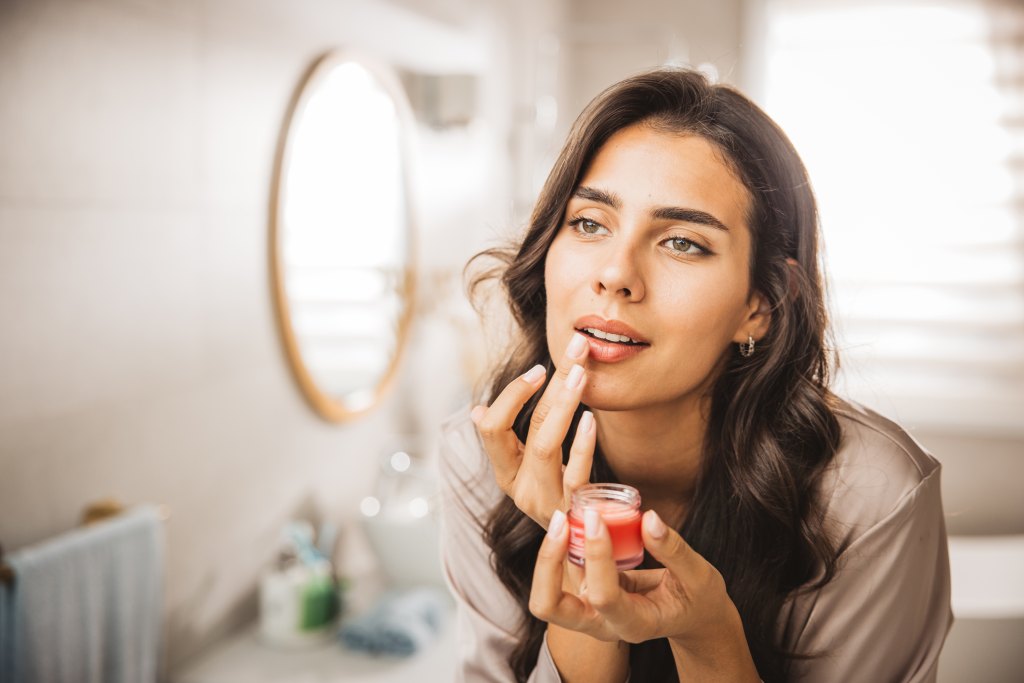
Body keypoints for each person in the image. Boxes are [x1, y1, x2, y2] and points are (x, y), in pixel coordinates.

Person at [437, 68, 952, 683]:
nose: (614, 274)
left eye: (682, 242)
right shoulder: (482, 460)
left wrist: (708, 638)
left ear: (758, 305)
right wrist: (582, 601)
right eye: (590, 223)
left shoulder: (869, 496)